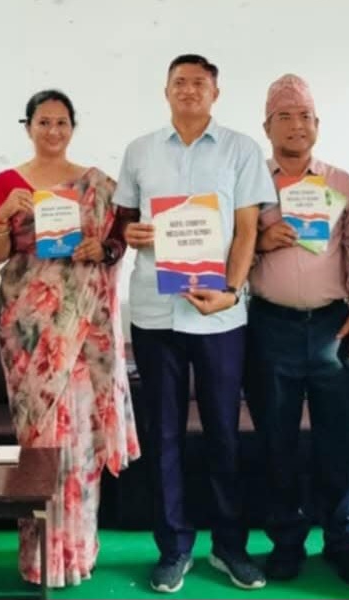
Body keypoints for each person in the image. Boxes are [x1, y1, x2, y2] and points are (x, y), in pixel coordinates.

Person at [111, 54, 276, 593]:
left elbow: (247, 230)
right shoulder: (139, 151)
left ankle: (230, 547)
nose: (189, 90)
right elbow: (124, 224)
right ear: (166, 91)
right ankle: (174, 547)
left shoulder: (240, 150)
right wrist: (131, 234)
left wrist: (231, 290)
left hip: (220, 315)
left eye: (199, 83)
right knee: (162, 435)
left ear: (215, 93)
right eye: (179, 82)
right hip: (155, 313)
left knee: (224, 433)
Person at [0, 89, 141, 587]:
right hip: (30, 333)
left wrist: (102, 248)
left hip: (84, 330)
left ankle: (77, 550)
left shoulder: (98, 184)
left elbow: (121, 239)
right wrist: (2, 216)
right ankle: (39, 555)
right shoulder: (8, 183)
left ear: (73, 127)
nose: (53, 130)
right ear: (27, 126)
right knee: (39, 441)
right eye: (43, 122)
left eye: (61, 122)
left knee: (81, 441)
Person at [244, 74, 349, 585]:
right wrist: (260, 242)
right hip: (269, 326)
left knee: (338, 444)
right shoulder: (250, 182)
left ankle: (343, 541)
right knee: (276, 445)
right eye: (284, 117)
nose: (296, 125)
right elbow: (227, 250)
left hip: (333, 325)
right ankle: (286, 542)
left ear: (317, 124)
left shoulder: (339, 181)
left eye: (305, 116)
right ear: (267, 127)